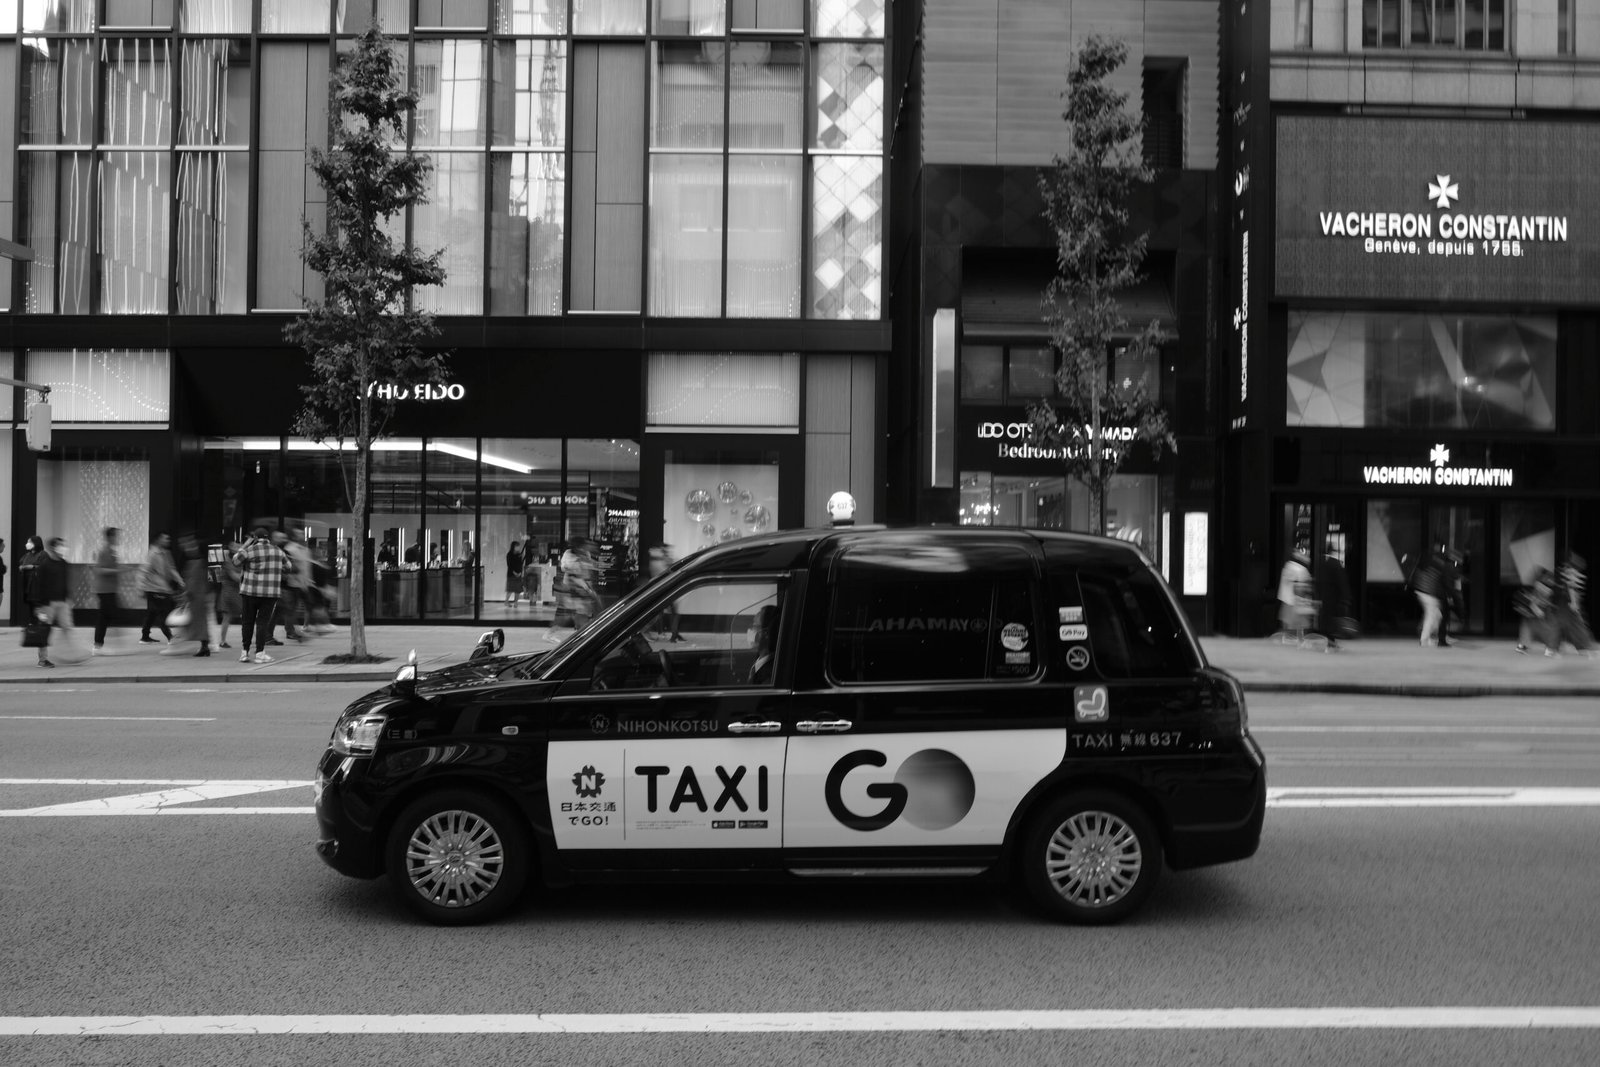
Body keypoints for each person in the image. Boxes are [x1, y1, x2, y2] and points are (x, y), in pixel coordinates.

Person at [234, 525, 288, 664]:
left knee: (247, 622)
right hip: (270, 593)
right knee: (262, 622)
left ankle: (244, 653)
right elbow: (289, 567)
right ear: (268, 538)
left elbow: (236, 561)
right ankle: (260, 653)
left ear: (255, 538)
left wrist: (245, 545)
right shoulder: (278, 551)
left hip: (249, 592)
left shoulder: (250, 550)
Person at [164, 533, 213, 657]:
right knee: (200, 622)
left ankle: (203, 646)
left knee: (198, 622)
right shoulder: (199, 561)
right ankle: (204, 646)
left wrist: (185, 593)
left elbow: (193, 582)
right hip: (198, 596)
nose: (186, 548)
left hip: (196, 597)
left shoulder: (196, 562)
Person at [33, 537, 74, 668]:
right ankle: (43, 659)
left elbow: (65, 582)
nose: (63, 548)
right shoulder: (45, 565)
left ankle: (70, 654)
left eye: (63, 545)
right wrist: (38, 606)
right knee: (45, 630)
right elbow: (38, 586)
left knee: (67, 627)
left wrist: (68, 597)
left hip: (62, 601)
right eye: (60, 545)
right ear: (52, 548)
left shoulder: (64, 563)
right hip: (47, 603)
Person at [137, 532, 182, 644]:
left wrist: (180, 580)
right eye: (165, 539)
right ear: (158, 540)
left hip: (163, 588)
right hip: (154, 588)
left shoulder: (166, 553)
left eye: (168, 539)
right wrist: (140, 587)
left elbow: (171, 569)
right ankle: (170, 637)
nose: (168, 541)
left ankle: (145, 637)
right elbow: (144, 571)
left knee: (152, 613)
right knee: (162, 613)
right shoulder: (153, 553)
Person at [92, 527, 122, 654]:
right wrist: (117, 570)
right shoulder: (103, 551)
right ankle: (97, 646)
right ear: (110, 537)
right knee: (104, 617)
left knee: (105, 616)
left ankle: (98, 645)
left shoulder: (111, 551)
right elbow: (99, 570)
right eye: (116, 536)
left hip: (110, 589)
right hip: (104, 589)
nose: (118, 538)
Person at [1314, 549, 1352, 648]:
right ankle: (1331, 643)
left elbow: (1318, 582)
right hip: (1335, 598)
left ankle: (1329, 641)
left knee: (1327, 620)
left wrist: (1318, 596)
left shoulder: (1322, 564)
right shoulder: (1336, 564)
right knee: (1334, 621)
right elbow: (1342, 582)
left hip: (1325, 598)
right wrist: (1346, 597)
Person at [1410, 547, 1446, 648]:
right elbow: (1437, 583)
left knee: (1436, 615)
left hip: (1423, 593)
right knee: (1431, 616)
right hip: (1428, 594)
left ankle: (1429, 635)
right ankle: (1424, 639)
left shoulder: (1427, 567)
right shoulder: (1436, 567)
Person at [1276, 548, 1315, 641]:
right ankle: (1297, 639)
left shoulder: (1287, 566)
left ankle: (1285, 639)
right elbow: (1305, 587)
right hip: (1295, 602)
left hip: (1285, 600)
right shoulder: (1301, 570)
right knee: (1299, 625)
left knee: (1287, 623)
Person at [215, 541, 243, 649]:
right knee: (230, 617)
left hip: (234, 592)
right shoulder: (228, 561)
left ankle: (222, 641)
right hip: (230, 592)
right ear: (230, 547)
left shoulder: (238, 560)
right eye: (235, 546)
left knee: (229, 617)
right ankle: (222, 641)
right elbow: (235, 577)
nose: (237, 548)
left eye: (239, 546)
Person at [747, 604, 778, 684]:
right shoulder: (759, 661)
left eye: (755, 626)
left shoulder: (770, 676)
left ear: (766, 633)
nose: (750, 630)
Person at [504, 540, 524, 605]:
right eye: (517, 546)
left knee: (517, 590)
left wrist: (520, 572)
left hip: (519, 574)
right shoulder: (509, 554)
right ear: (513, 547)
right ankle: (506, 601)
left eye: (518, 546)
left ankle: (516, 602)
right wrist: (514, 573)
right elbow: (509, 565)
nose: (518, 548)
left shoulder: (519, 555)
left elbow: (521, 564)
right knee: (510, 589)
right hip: (511, 574)